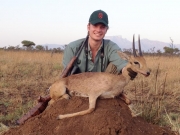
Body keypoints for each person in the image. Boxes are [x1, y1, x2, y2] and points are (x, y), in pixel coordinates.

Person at [62, 10, 137, 104]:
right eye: (95, 26)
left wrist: (130, 70)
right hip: (79, 90)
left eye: (102, 27)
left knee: (115, 66)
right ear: (88, 27)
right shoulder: (72, 48)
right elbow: (67, 76)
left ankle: (110, 100)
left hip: (103, 89)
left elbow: (123, 65)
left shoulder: (111, 47)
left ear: (106, 29)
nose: (98, 30)